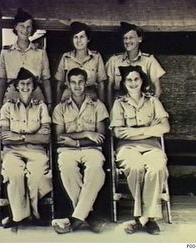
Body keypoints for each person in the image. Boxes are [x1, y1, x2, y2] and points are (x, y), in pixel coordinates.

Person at [109, 65, 170, 235]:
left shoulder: (152, 101)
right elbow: (118, 132)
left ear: (142, 81)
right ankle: (147, 219)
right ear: (124, 83)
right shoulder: (119, 103)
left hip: (151, 146)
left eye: (136, 79)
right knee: (135, 167)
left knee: (157, 167)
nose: (133, 83)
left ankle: (143, 218)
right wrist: (151, 129)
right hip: (127, 147)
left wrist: (137, 131)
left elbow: (165, 127)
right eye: (129, 80)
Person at [52, 68, 108, 233]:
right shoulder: (60, 108)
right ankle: (86, 215)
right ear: (68, 85)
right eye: (73, 82)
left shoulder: (97, 106)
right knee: (67, 167)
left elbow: (101, 137)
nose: (77, 86)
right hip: (67, 151)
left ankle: (77, 217)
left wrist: (75, 142)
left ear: (86, 83)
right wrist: (85, 133)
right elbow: (59, 138)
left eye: (81, 82)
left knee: (96, 169)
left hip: (91, 149)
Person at [0, 67, 52, 228]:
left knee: (37, 176)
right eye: (22, 84)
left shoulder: (41, 107)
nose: (25, 87)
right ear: (16, 86)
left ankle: (34, 214)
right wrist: (31, 137)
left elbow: (45, 137)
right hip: (12, 152)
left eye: (29, 84)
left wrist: (20, 137)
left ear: (34, 86)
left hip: (36, 151)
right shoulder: (8, 107)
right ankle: (20, 216)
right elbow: (5, 138)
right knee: (14, 173)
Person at [0, 8, 52, 114]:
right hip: (12, 94)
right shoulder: (6, 52)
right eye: (22, 26)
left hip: (35, 94)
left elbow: (46, 80)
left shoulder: (40, 52)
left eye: (28, 27)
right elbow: (1, 80)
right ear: (15, 27)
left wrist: (49, 104)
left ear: (32, 29)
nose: (25, 30)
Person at [106, 22, 166, 108]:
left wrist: (151, 108)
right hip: (121, 106)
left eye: (131, 38)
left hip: (143, 105)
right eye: (125, 38)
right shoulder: (114, 60)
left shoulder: (149, 60)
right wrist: (112, 109)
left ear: (139, 39)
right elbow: (109, 87)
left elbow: (158, 89)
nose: (127, 41)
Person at [55, 21, 107, 104]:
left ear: (88, 39)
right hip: (68, 99)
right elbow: (59, 84)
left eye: (82, 37)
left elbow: (101, 85)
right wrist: (57, 106)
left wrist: (102, 106)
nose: (79, 40)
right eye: (75, 37)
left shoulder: (96, 57)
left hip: (91, 99)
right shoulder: (66, 57)